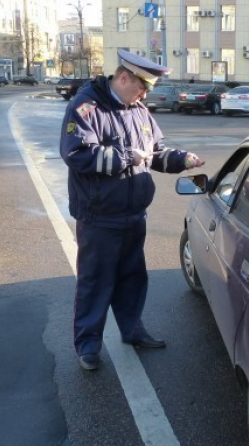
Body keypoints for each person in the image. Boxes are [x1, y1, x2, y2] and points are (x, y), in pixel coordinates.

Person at [59, 49, 206, 371]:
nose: (144, 95)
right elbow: (76, 155)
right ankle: (88, 345)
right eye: (140, 88)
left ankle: (132, 330)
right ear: (123, 77)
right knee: (95, 283)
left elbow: (154, 153)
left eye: (146, 90)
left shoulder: (138, 110)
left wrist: (182, 160)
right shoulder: (87, 108)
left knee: (132, 279)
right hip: (99, 216)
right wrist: (126, 156)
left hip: (134, 214)